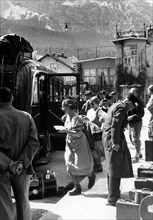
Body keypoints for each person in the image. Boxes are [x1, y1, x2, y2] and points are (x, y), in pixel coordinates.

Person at [0, 87, 40, 220]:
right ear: (12, 98)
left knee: (4, 206)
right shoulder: (26, 116)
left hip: (2, 170)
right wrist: (22, 163)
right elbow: (34, 143)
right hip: (22, 170)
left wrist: (9, 164)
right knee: (23, 202)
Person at [102, 93, 139, 206]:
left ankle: (112, 194)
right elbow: (115, 125)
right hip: (113, 138)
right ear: (128, 102)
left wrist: (127, 118)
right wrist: (115, 143)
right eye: (132, 106)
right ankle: (113, 198)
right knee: (115, 167)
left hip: (108, 136)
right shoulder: (122, 107)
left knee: (111, 166)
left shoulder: (117, 104)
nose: (132, 109)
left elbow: (116, 121)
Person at [59, 99, 95, 196]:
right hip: (70, 143)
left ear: (69, 107)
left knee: (82, 165)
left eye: (64, 106)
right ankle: (77, 187)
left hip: (80, 143)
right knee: (69, 164)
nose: (62, 108)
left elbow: (78, 133)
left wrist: (65, 131)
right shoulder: (67, 116)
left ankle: (91, 176)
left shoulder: (77, 118)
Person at [86, 96, 106, 172]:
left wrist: (101, 128)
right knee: (92, 149)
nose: (91, 105)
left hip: (97, 133)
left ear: (97, 103)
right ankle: (95, 164)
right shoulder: (90, 111)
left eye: (92, 103)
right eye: (90, 103)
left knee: (96, 149)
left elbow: (105, 120)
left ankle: (98, 165)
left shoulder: (100, 111)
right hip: (89, 133)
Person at [127, 88, 144, 163]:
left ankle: (136, 156)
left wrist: (132, 116)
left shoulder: (138, 103)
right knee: (132, 140)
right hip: (130, 123)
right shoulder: (129, 101)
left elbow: (141, 114)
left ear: (136, 94)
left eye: (132, 93)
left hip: (136, 122)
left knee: (135, 139)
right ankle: (139, 152)